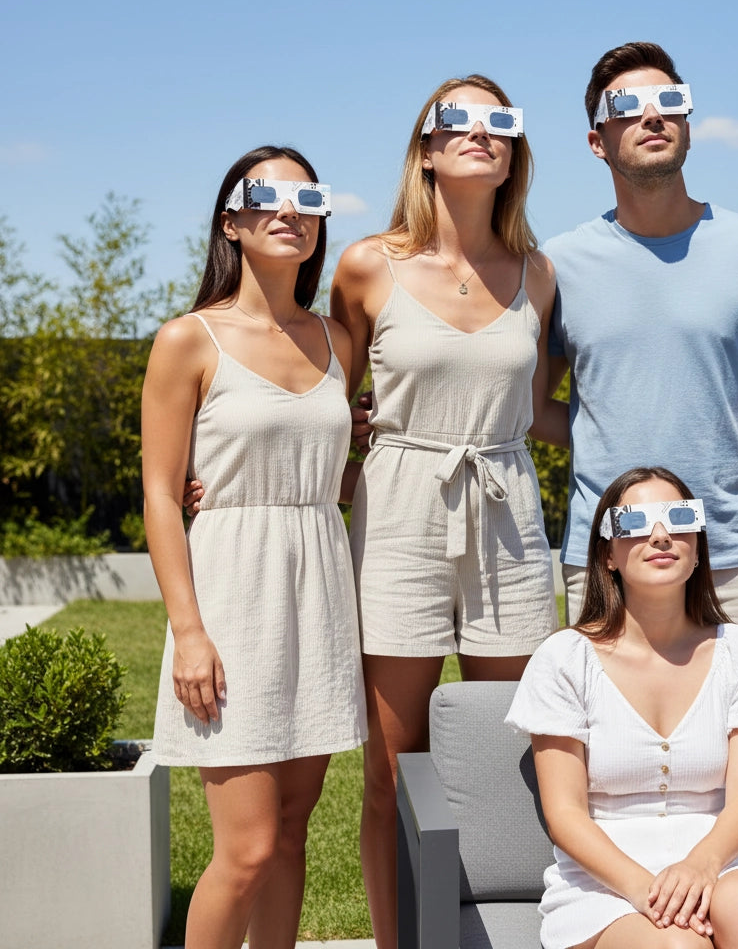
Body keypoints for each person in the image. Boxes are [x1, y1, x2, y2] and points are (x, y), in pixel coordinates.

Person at [330, 75, 564, 949]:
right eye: (454, 120)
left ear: (514, 151)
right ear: (425, 147)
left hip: (508, 514)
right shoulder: (365, 265)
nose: (479, 132)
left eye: (498, 121)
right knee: (394, 773)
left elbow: (541, 410)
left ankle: (513, 934)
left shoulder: (539, 273)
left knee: (520, 758)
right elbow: (328, 404)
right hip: (399, 515)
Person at [143, 146, 367, 949]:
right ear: (231, 220)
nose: (288, 209)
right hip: (231, 597)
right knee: (247, 849)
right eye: (265, 195)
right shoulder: (187, 340)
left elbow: (325, 478)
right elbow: (163, 496)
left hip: (318, 593)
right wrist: (190, 632)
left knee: (293, 832)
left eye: (306, 196)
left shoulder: (338, 343)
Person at [545, 41, 738, 640]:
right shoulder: (558, 265)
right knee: (600, 732)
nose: (652, 115)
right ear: (597, 141)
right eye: (627, 106)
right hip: (605, 556)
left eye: (670, 101)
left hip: (730, 556)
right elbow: (526, 401)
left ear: (689, 129)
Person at [505, 466, 738, 949]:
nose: (660, 535)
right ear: (607, 552)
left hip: (724, 865)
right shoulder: (563, 660)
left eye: (678, 518)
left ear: (697, 547)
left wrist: (701, 865)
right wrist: (647, 892)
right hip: (606, 886)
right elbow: (565, 812)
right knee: (677, 944)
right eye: (633, 522)